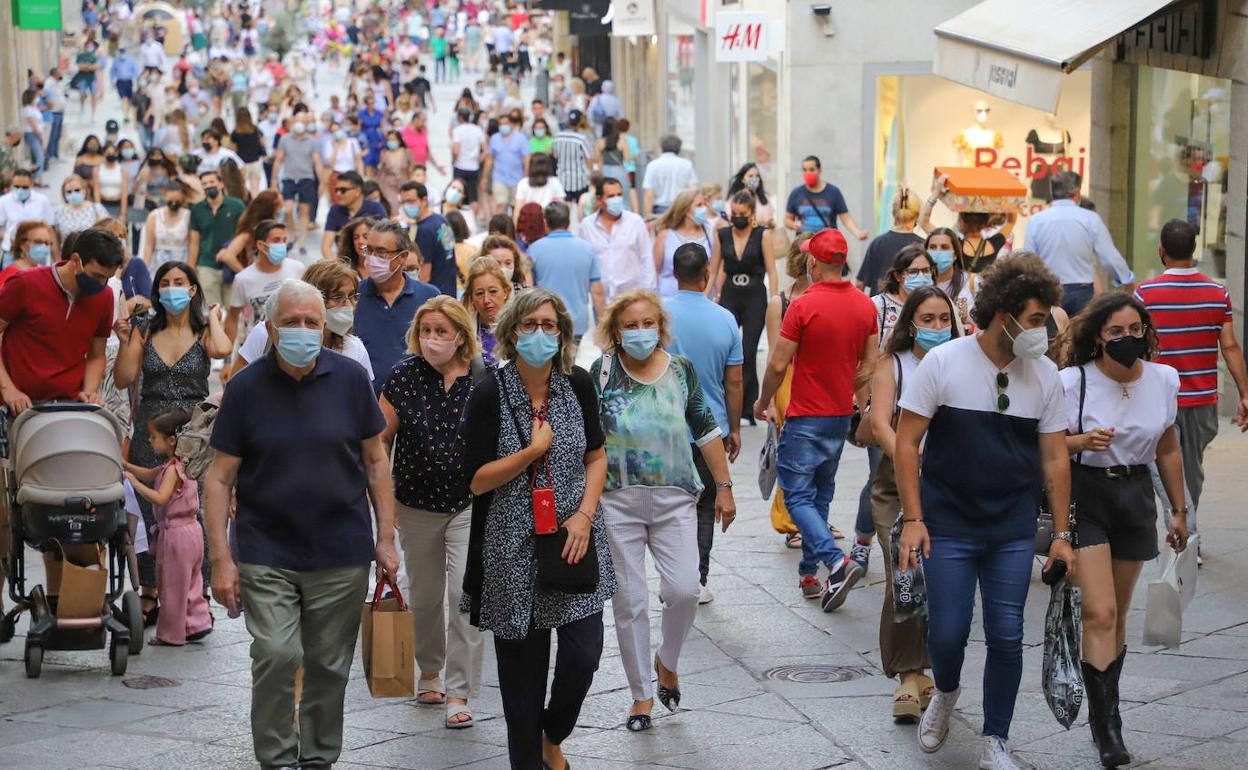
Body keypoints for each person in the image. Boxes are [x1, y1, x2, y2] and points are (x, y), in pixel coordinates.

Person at [205, 279, 400, 770]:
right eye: (291, 322)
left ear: (325, 326)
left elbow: (376, 462)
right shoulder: (245, 388)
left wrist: (386, 538)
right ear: (269, 329)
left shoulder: (352, 378)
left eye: (312, 322)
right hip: (265, 547)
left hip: (341, 548)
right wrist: (220, 560)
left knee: (329, 666)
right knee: (274, 653)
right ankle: (275, 758)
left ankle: (317, 759)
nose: (302, 330)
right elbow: (219, 477)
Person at [894, 254, 1072, 770]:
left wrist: (1061, 532)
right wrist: (913, 517)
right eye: (1037, 320)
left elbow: (1056, 456)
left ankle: (996, 736)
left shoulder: (1045, 376)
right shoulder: (944, 361)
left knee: (1007, 633)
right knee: (947, 633)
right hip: (947, 523)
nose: (1043, 332)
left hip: (1012, 529)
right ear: (1006, 314)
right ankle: (944, 693)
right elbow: (907, 444)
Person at [462, 288, 615, 770]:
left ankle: (555, 732)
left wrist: (585, 515)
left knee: (583, 655)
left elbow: (596, 456)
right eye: (529, 326)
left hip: (573, 537)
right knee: (521, 687)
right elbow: (476, 479)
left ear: (563, 334)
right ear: (511, 333)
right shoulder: (489, 391)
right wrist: (530, 452)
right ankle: (529, 755)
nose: (540, 334)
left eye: (550, 325)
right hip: (511, 549)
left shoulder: (579, 384)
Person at [591, 288, 736, 730]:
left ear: (661, 327)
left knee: (685, 590)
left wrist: (725, 487)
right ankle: (641, 696)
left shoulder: (681, 371)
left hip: (676, 498)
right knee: (629, 601)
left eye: (647, 323)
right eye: (629, 325)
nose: (640, 332)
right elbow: (588, 441)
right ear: (615, 332)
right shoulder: (601, 373)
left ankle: (666, 660)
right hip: (617, 500)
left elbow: (706, 429)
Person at [1059, 293, 1188, 767]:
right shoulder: (1073, 382)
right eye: (1116, 331)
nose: (1128, 339)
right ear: (1098, 335)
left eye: (1136, 330)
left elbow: (1168, 448)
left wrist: (1179, 509)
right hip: (1087, 495)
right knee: (1100, 612)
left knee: (1118, 613)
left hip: (1135, 498)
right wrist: (1080, 441)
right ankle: (1107, 727)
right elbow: (1049, 447)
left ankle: (1106, 708)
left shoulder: (1164, 379)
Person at [753, 229, 877, 608]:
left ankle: (834, 561)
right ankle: (809, 575)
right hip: (839, 417)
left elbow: (777, 362)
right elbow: (869, 363)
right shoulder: (864, 305)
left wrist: (763, 400)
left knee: (796, 495)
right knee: (821, 494)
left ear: (812, 262)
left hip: (806, 415)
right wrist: (845, 384)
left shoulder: (803, 304)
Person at [379, 296, 485, 728]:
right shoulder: (404, 377)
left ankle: (459, 693)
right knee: (424, 597)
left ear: (460, 336)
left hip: (469, 503)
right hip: (415, 503)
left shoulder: (484, 378)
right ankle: (428, 671)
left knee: (464, 595)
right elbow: (379, 440)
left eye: (441, 332)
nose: (432, 340)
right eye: (425, 332)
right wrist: (384, 503)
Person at [115, 260, 231, 618]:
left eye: (180, 282)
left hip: (194, 434)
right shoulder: (145, 329)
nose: (172, 288)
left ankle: (198, 592)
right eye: (165, 282)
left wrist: (211, 316)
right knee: (152, 513)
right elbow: (123, 378)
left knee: (195, 512)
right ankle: (150, 589)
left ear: (193, 288)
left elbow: (223, 350)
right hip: (152, 429)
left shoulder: (203, 330)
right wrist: (124, 342)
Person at [866, 285, 959, 723]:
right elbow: (880, 422)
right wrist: (909, 450)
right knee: (904, 575)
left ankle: (936, 671)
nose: (937, 327)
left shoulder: (962, 363)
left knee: (942, 579)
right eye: (928, 319)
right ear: (910, 323)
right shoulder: (893, 365)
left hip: (949, 486)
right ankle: (907, 673)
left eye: (944, 319)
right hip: (896, 486)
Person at [1134, 219, 1248, 556]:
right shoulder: (1217, 293)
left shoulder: (1146, 294)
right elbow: (1230, 347)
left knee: (1169, 468)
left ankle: (1186, 531)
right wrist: (1244, 394)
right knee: (1190, 470)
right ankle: (1188, 533)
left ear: (1162, 251)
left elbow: (1138, 345)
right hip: (1202, 399)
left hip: (1160, 399)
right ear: (1193, 251)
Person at [665, 243, 743, 605]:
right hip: (710, 429)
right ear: (707, 274)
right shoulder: (725, 319)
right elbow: (735, 381)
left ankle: (671, 578)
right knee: (703, 505)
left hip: (663, 428)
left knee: (667, 505)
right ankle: (697, 579)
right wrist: (736, 427)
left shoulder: (658, 315)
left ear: (674, 272)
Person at [122, 408, 214, 647]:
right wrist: (128, 467)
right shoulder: (179, 464)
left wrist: (133, 483)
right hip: (192, 531)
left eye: (154, 437)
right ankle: (196, 624)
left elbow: (161, 497)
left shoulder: (172, 469)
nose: (150, 441)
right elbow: (151, 475)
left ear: (172, 439)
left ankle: (170, 634)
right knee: (191, 581)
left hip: (176, 535)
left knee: (172, 585)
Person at [236, 259, 374, 379]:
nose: (349, 306)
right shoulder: (266, 334)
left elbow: (362, 404)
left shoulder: (354, 349)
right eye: (337, 297)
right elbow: (237, 387)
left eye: (352, 296)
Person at [1025, 171, 1135, 316]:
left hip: (1049, 291)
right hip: (1082, 292)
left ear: (1052, 193)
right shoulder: (1091, 219)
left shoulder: (1036, 221)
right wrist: (1127, 280)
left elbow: (1028, 260)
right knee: (1082, 336)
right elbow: (1110, 257)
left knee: (1052, 337)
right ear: (1077, 192)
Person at [355, 220, 440, 392]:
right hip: (365, 403)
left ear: (402, 257)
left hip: (416, 405)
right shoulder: (354, 296)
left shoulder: (429, 298)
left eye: (381, 252)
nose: (372, 258)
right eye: (369, 250)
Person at [717, 190, 778, 422]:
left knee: (749, 351)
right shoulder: (722, 234)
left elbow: (772, 270)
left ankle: (747, 407)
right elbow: (717, 268)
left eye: (742, 213)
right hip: (730, 293)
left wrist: (775, 299)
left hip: (754, 295)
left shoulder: (762, 235)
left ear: (751, 213)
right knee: (726, 350)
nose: (737, 217)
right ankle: (727, 402)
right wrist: (712, 294)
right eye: (734, 213)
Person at [529, 201, 604, 355]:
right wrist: (603, 323)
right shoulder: (587, 249)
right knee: (569, 364)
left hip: (545, 322)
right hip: (577, 322)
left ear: (545, 222)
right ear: (569, 222)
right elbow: (597, 292)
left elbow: (529, 289)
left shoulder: (534, 250)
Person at [225, 219, 306, 346]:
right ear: (261, 245)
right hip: (257, 346)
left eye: (284, 240)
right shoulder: (243, 279)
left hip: (292, 343)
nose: (282, 245)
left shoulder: (297, 268)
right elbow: (232, 317)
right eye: (276, 240)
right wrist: (227, 357)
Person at [919, 175, 1016, 274]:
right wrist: (1013, 192)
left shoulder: (954, 244)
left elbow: (924, 222)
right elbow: (1011, 221)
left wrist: (936, 192)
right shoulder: (994, 243)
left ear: (961, 221)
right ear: (986, 223)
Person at [580, 176, 654, 302]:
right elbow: (583, 262)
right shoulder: (587, 226)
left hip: (631, 297)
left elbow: (646, 258)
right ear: (599, 199)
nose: (616, 199)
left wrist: (649, 293)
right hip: (601, 300)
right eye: (611, 196)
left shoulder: (635, 222)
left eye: (619, 195)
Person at [188, 169, 245, 308]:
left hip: (232, 264)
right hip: (207, 265)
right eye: (205, 183)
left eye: (212, 182)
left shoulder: (237, 206)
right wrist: (190, 270)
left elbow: (244, 235)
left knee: (234, 310)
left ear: (220, 184)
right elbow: (194, 242)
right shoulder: (197, 209)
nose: (209, 186)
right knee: (212, 312)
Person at [270, 114, 325, 256]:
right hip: (289, 177)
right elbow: (278, 160)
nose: (299, 123)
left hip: (306, 178)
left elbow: (317, 162)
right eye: (297, 121)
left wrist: (321, 182)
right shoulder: (285, 139)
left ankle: (302, 242)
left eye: (303, 121)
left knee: (304, 212)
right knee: (287, 209)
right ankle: (293, 234)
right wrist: (273, 180)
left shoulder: (312, 141)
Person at [653, 190, 718, 299]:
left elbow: (713, 270)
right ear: (686, 210)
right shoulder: (665, 235)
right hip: (668, 298)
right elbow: (655, 271)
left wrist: (704, 297)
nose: (704, 209)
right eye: (699, 205)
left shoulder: (711, 232)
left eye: (704, 204)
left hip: (701, 299)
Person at [784, 156, 867, 240]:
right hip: (804, 245)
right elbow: (787, 219)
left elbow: (846, 218)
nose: (808, 173)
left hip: (827, 244)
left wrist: (858, 233)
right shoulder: (796, 193)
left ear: (819, 171)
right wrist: (793, 225)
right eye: (805, 170)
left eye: (811, 169)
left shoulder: (833, 192)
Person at [857, 189, 923, 295]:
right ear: (917, 215)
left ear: (893, 213)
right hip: (912, 307)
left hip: (880, 308)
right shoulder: (923, 246)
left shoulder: (877, 243)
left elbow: (860, 284)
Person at [403, 182, 458, 296]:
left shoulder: (424, 231)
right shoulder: (441, 220)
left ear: (424, 200)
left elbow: (424, 275)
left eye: (411, 201)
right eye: (404, 202)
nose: (407, 205)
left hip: (434, 296)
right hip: (449, 292)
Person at [322, 171, 387, 259]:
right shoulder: (335, 210)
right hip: (344, 262)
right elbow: (326, 246)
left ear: (357, 191)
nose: (338, 194)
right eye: (336, 190)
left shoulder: (375, 208)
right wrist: (337, 268)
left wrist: (367, 263)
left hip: (371, 261)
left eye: (343, 190)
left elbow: (386, 239)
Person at [925, 227, 976, 332]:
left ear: (955, 254)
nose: (938, 252)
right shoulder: (919, 283)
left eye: (944, 247)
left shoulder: (972, 283)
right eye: (933, 247)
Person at [0, 168, 55, 255]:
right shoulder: (3, 201)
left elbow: (50, 227)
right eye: (17, 187)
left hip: (37, 251)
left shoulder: (42, 200)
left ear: (31, 184)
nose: (20, 190)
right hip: (11, 250)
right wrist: (8, 236)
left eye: (24, 187)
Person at [642, 134, 698, 218]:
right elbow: (694, 189)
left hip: (660, 210)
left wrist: (647, 216)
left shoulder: (653, 165)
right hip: (681, 209)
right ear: (679, 148)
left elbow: (649, 194)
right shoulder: (687, 164)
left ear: (661, 147)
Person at [486, 113, 530, 214]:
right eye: (501, 124)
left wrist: (526, 175)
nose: (503, 126)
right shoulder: (494, 138)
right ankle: (500, 229)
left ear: (511, 124)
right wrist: (485, 177)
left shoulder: (521, 138)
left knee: (516, 207)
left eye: (506, 123)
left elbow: (527, 158)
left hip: (517, 178)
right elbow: (489, 159)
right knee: (500, 205)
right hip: (499, 178)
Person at [553, 110, 593, 204]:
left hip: (562, 180)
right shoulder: (581, 139)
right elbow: (589, 159)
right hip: (580, 180)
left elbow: (554, 155)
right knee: (582, 208)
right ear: (580, 122)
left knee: (565, 210)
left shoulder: (557, 137)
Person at [451, 108, 487, 212]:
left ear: (460, 118)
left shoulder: (457, 130)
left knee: (457, 194)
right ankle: (473, 221)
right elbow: (485, 149)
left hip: (460, 166)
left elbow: (456, 150)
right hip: (473, 167)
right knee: (473, 197)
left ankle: (459, 218)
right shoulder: (478, 129)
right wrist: (479, 160)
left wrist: (454, 161)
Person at [594, 118, 633, 211]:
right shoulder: (622, 142)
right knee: (623, 198)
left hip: (605, 171)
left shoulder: (600, 142)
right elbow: (628, 159)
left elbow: (598, 160)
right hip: (619, 170)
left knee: (606, 198)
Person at [54, 174, 110, 239]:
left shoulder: (97, 208)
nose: (73, 193)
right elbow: (56, 236)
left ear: (84, 190)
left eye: (77, 190)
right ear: (64, 194)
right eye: (69, 192)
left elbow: (107, 230)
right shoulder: (59, 212)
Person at [0, 221, 55, 286]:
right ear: (23, 245)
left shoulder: (44, 273)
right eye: (38, 242)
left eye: (47, 243)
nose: (44, 247)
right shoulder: (10, 275)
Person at [513, 153, 565, 219]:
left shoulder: (523, 183)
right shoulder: (555, 182)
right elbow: (562, 208)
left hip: (529, 223)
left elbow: (517, 210)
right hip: (549, 222)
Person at [378, 129, 414, 212]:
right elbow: (381, 172)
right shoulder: (384, 154)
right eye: (389, 140)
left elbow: (412, 168)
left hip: (405, 185)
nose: (391, 142)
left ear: (399, 140)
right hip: (389, 186)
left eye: (393, 140)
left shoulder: (406, 152)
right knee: (394, 207)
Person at [93, 145, 130, 221]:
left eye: (114, 153)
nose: (111, 155)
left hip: (118, 204)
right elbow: (96, 191)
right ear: (103, 154)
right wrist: (98, 212)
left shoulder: (123, 170)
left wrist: (123, 214)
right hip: (103, 204)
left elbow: (124, 193)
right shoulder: (97, 170)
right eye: (108, 153)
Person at [337, 215, 378, 281]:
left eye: (366, 237)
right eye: (356, 238)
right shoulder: (345, 270)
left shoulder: (385, 267)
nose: (360, 241)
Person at [19, 91, 46, 186]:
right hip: (32, 134)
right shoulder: (27, 110)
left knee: (35, 158)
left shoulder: (32, 108)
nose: (37, 98)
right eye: (35, 97)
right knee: (40, 157)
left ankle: (35, 178)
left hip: (35, 134)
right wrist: (41, 137)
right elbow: (34, 126)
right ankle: (36, 178)